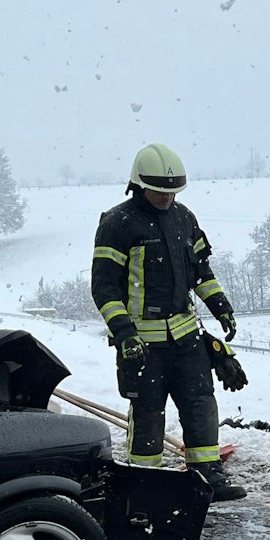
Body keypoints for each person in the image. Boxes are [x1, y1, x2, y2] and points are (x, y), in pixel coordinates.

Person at [91, 143, 246, 501]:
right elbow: (103, 286)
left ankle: (207, 475)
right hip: (143, 344)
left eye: (172, 191)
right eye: (160, 191)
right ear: (138, 184)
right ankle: (145, 481)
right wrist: (125, 333)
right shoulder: (118, 224)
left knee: (200, 403)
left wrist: (220, 305)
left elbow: (201, 271)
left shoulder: (185, 218)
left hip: (186, 336)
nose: (167, 197)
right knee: (147, 413)